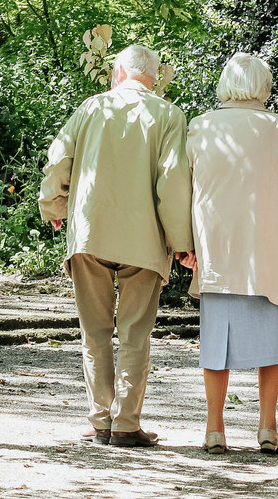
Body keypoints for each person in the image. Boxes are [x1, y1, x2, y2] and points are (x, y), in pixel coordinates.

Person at [39, 44, 194, 448]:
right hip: (144, 239)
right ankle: (125, 424)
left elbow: (59, 161)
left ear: (119, 72)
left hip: (91, 233)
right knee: (134, 333)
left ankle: (100, 421)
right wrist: (182, 243)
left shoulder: (91, 108)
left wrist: (53, 204)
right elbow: (173, 182)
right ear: (154, 77)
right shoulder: (169, 115)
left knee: (94, 332)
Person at [180, 52, 278, 454]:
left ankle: (214, 429)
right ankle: (267, 427)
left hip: (218, 251)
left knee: (214, 344)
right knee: (270, 344)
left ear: (226, 83)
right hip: (268, 253)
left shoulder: (201, 127)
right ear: (264, 86)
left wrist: (184, 245)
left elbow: (182, 192)